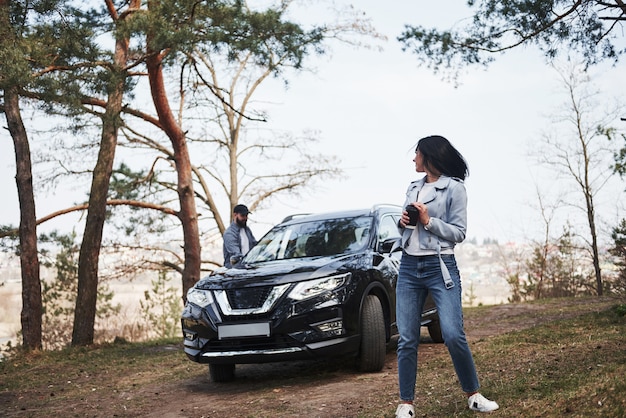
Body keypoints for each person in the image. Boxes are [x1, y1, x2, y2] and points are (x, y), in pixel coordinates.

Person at [394, 135, 499, 417]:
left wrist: (429, 221)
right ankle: (406, 404)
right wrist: (402, 222)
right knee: (406, 338)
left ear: (429, 157)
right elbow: (405, 230)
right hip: (408, 268)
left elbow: (459, 232)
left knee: (453, 334)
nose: (413, 158)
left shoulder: (455, 189)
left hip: (440, 268)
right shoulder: (413, 187)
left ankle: (474, 395)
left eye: (416, 153)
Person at [223, 204, 258, 268]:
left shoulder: (247, 230)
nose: (245, 218)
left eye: (246, 215)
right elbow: (236, 255)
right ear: (235, 215)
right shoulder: (229, 234)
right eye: (242, 215)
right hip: (234, 271)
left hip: (248, 267)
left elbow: (255, 246)